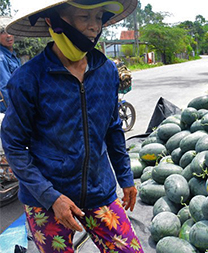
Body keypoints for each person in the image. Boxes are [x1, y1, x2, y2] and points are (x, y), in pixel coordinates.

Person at [1, 1, 143, 252]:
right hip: (45, 199)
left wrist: (125, 177)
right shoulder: (28, 79)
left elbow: (113, 129)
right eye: (84, 16)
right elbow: (13, 145)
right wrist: (50, 196)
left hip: (99, 191)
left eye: (99, 17)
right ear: (52, 21)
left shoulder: (107, 71)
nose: (93, 26)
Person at [0, 16, 21, 113]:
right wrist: (15, 112)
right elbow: (5, 87)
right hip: (8, 110)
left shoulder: (12, 55)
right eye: (3, 32)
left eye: (9, 31)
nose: (8, 35)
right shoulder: (1, 58)